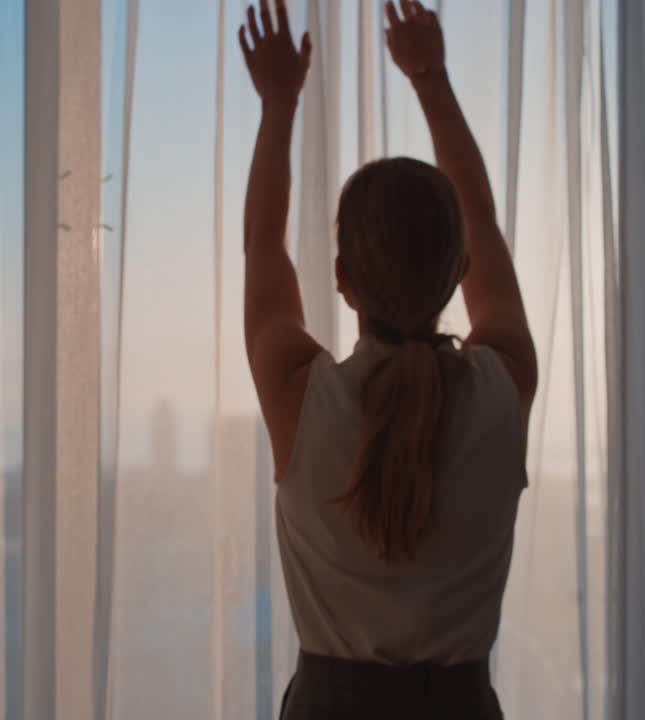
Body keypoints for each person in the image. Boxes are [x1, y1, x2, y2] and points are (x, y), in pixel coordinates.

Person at [238, 0, 537, 717]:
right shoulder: (503, 387)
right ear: (459, 269)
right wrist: (429, 77)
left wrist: (279, 104)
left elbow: (263, 246)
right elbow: (484, 220)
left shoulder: (298, 396)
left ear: (341, 279)